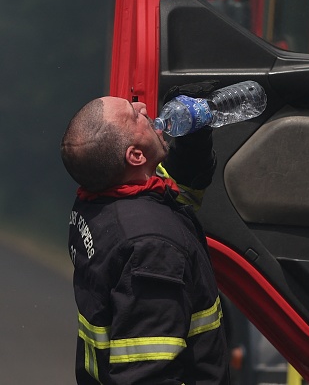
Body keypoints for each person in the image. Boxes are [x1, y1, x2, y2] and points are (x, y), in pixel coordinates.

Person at [60, 94, 229, 384]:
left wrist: (194, 141)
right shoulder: (150, 247)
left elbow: (172, 196)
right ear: (136, 156)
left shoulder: (97, 202)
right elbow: (147, 375)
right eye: (133, 114)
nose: (143, 107)